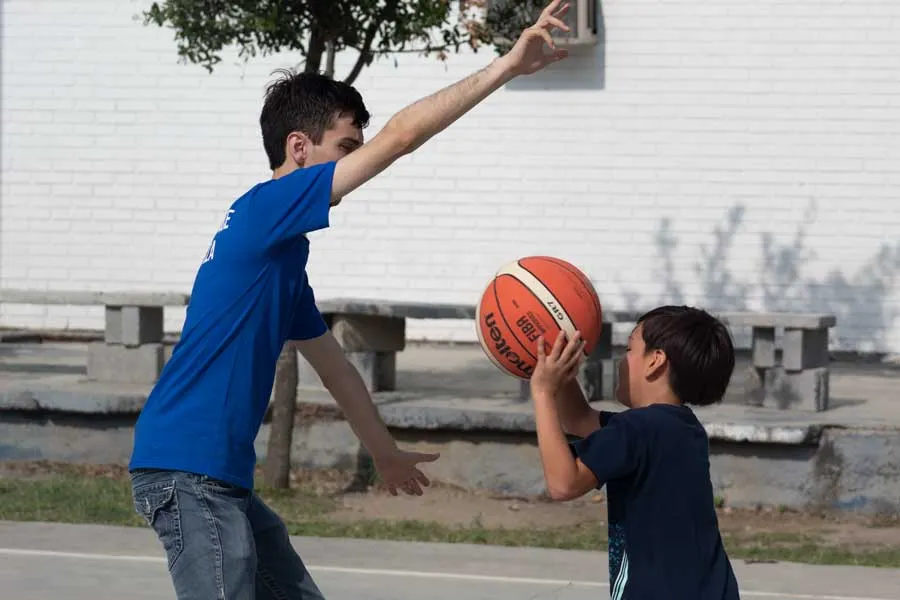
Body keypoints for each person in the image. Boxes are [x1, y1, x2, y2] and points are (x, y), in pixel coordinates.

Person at [127, 2, 573, 599]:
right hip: (187, 472)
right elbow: (402, 138)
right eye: (345, 146)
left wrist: (384, 453)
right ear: (300, 148)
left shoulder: (281, 255)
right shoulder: (266, 209)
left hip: (215, 477)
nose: (355, 159)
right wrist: (506, 67)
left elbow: (336, 368)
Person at [528, 305, 741, 600]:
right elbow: (578, 418)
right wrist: (561, 370)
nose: (622, 360)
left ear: (655, 361)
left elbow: (563, 484)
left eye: (629, 349)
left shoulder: (636, 430)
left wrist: (542, 392)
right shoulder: (682, 427)